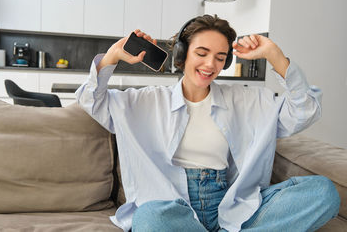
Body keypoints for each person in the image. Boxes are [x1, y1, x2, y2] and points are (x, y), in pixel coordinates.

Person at [75, 14, 340, 232]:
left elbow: (304, 110)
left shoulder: (248, 100)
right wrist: (111, 57)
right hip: (173, 209)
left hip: (233, 205)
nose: (210, 64)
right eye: (201, 53)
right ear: (183, 53)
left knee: (323, 192)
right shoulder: (145, 101)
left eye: (220, 57)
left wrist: (274, 55)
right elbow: (91, 101)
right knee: (149, 218)